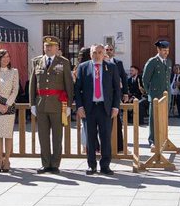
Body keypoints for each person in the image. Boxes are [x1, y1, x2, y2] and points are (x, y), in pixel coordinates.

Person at [74, 43, 123, 175]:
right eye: (94, 53)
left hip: (105, 108)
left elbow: (117, 89)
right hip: (89, 108)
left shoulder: (111, 67)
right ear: (90, 54)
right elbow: (77, 89)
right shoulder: (83, 67)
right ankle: (91, 165)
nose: (97, 55)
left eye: (100, 52)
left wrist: (115, 106)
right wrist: (79, 106)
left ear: (104, 54)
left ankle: (105, 166)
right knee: (90, 138)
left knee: (105, 137)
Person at [30, 36, 74, 174]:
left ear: (57, 48)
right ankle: (45, 163)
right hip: (41, 104)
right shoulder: (36, 61)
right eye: (46, 46)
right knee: (43, 136)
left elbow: (69, 84)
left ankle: (55, 164)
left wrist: (68, 105)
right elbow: (32, 84)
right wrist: (32, 103)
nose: (48, 48)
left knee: (57, 136)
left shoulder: (63, 62)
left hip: (57, 104)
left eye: (51, 46)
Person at [142, 40, 171, 145]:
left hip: (166, 95)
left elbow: (167, 79)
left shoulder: (168, 62)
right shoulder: (153, 62)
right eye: (164, 50)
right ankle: (152, 140)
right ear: (158, 50)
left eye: (167, 50)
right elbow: (145, 79)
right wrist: (149, 93)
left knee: (164, 118)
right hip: (155, 95)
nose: (166, 52)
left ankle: (163, 138)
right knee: (154, 119)